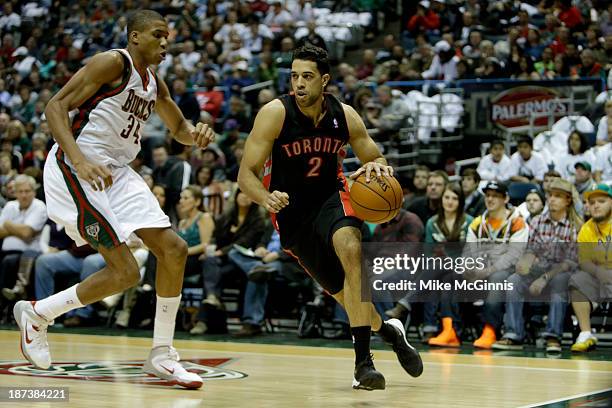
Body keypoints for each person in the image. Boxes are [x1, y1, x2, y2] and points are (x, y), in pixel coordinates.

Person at [13, 10, 214, 389]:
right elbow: (55, 107)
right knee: (125, 272)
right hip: (76, 165)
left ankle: (161, 354)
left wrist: (196, 134)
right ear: (135, 37)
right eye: (158, 34)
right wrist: (79, 160)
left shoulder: (155, 84)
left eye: (169, 36)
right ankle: (38, 315)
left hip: (116, 172)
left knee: (173, 249)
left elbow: (180, 130)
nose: (166, 42)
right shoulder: (112, 62)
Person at [237, 45, 423, 391]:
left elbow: (374, 156)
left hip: (331, 197)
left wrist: (377, 167)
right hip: (291, 212)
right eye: (294, 76)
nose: (299, 84)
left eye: (307, 77)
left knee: (350, 248)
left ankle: (362, 365)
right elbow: (245, 174)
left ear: (324, 80)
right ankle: (390, 332)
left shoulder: (345, 115)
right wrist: (265, 197)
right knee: (345, 296)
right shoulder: (275, 113)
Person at [493, 179, 582, 353]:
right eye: (550, 195)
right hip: (538, 268)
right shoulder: (537, 221)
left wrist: (543, 278)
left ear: (568, 200)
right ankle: (513, 334)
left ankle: (553, 336)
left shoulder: (575, 226)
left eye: (558, 196)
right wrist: (525, 262)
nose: (552, 199)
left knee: (560, 282)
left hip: (561, 271)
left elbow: (569, 262)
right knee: (513, 280)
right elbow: (531, 249)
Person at [568, 184, 611, 352]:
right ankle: (586, 333)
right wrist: (600, 272)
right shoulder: (586, 229)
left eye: (602, 201)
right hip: (599, 277)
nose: (596, 205)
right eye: (592, 202)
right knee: (577, 279)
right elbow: (584, 262)